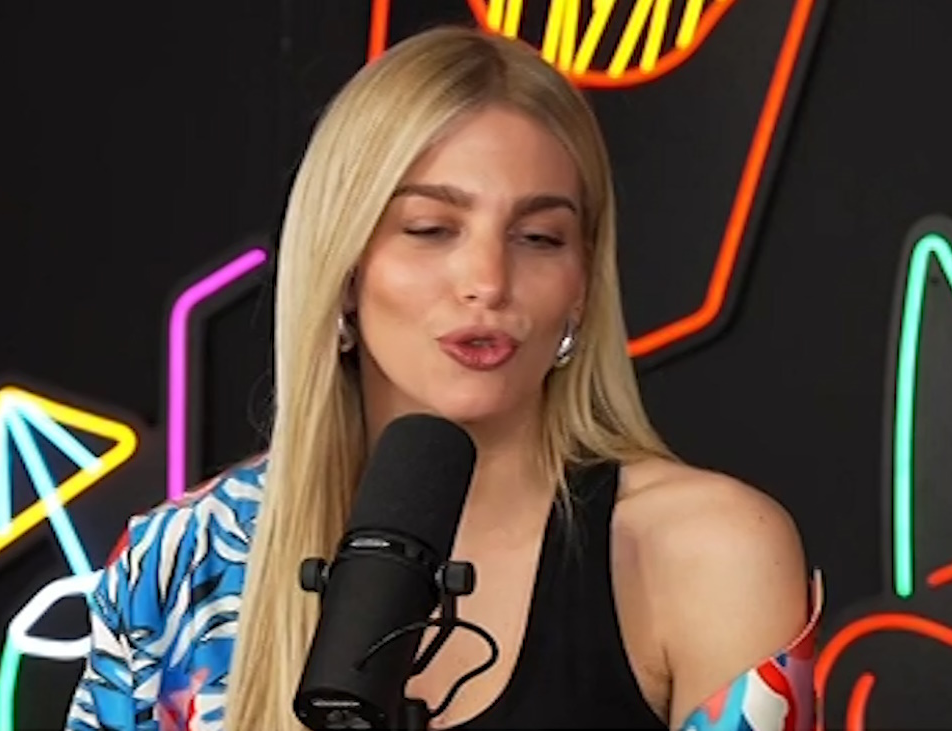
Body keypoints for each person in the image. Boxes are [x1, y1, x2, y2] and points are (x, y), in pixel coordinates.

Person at [64, 23, 821, 731]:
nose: (487, 280)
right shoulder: (182, 562)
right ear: (345, 269)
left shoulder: (711, 552)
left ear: (583, 285)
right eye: (430, 229)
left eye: (539, 237)